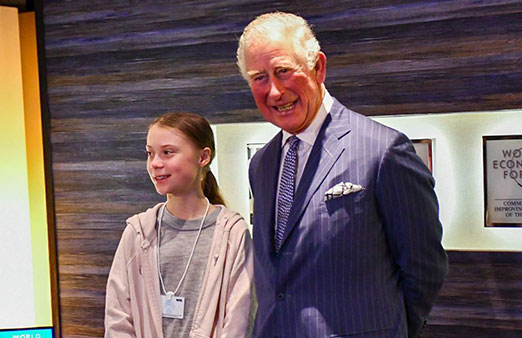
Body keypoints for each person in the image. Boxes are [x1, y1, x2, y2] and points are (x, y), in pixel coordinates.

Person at [237, 12, 448, 338]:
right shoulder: (261, 164)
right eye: (259, 78)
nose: (275, 91)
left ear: (318, 67)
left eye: (283, 71)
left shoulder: (384, 151)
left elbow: (425, 267)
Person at [104, 112, 254, 337]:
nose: (155, 163)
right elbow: (118, 319)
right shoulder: (138, 231)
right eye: (150, 153)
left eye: (167, 152)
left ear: (203, 157)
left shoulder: (232, 233)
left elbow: (239, 320)